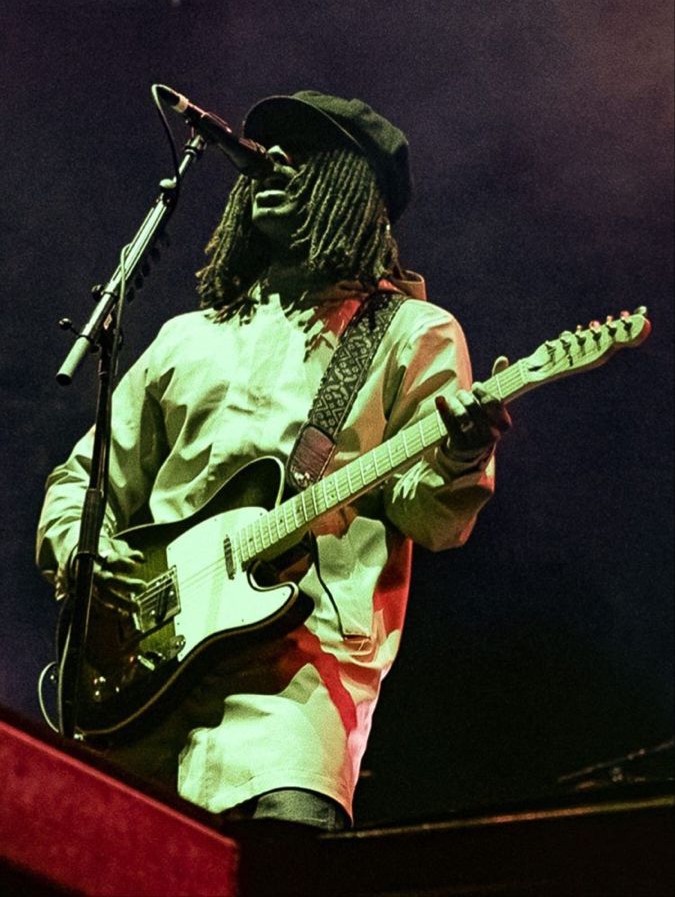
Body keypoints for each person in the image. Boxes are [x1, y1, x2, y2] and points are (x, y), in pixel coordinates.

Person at [37, 91, 511, 832]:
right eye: (269, 152)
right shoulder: (186, 338)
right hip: (134, 702)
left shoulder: (411, 333)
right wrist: (84, 557)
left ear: (353, 193)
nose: (273, 162)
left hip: (289, 706)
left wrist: (464, 451)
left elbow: (433, 518)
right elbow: (83, 481)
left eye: (304, 153)